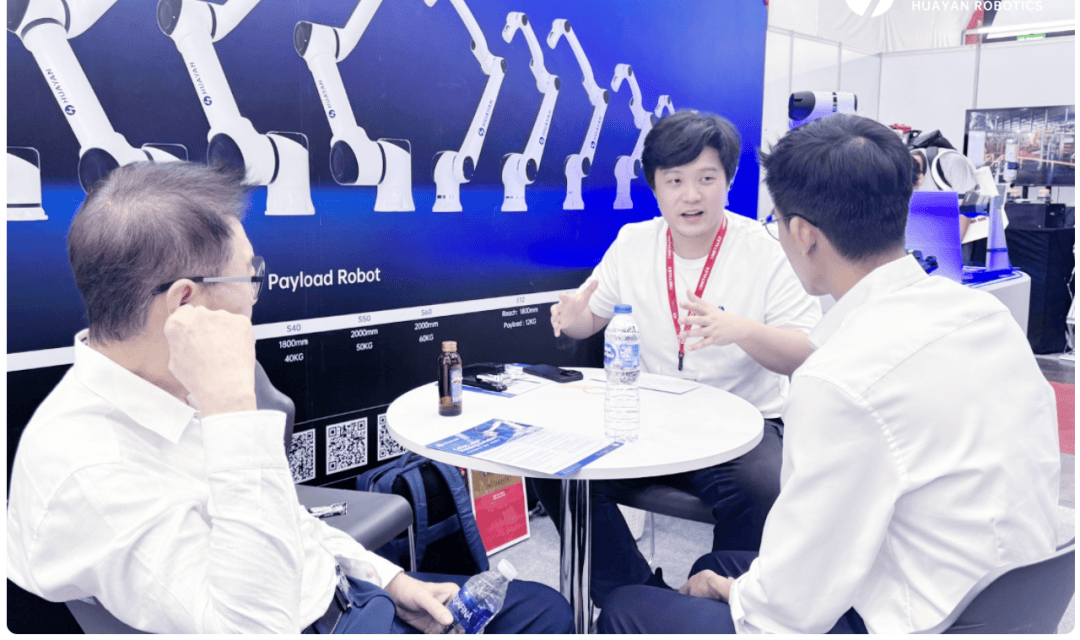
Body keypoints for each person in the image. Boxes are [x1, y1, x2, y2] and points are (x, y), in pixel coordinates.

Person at [6, 161, 573, 634]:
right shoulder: (91, 469)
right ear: (185, 305)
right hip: (310, 622)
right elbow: (256, 627)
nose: (256, 295)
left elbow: (284, 519)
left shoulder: (171, 385)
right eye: (248, 278)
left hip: (343, 594)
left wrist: (391, 580)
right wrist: (232, 414)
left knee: (539, 608)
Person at [597, 114, 1060, 633]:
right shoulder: (987, 317)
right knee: (717, 564)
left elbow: (791, 606)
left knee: (627, 607)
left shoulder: (839, 378)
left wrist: (726, 592)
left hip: (910, 621)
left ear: (802, 233)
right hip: (1009, 605)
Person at [537, 110, 822, 605]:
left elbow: (805, 350)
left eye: (707, 179)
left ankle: (714, 604)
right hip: (651, 416)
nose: (691, 195)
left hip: (741, 426)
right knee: (552, 463)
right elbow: (590, 317)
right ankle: (640, 600)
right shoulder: (633, 243)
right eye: (675, 181)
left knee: (765, 487)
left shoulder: (765, 251)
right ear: (655, 187)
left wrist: (739, 330)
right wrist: (573, 316)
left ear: (728, 182)